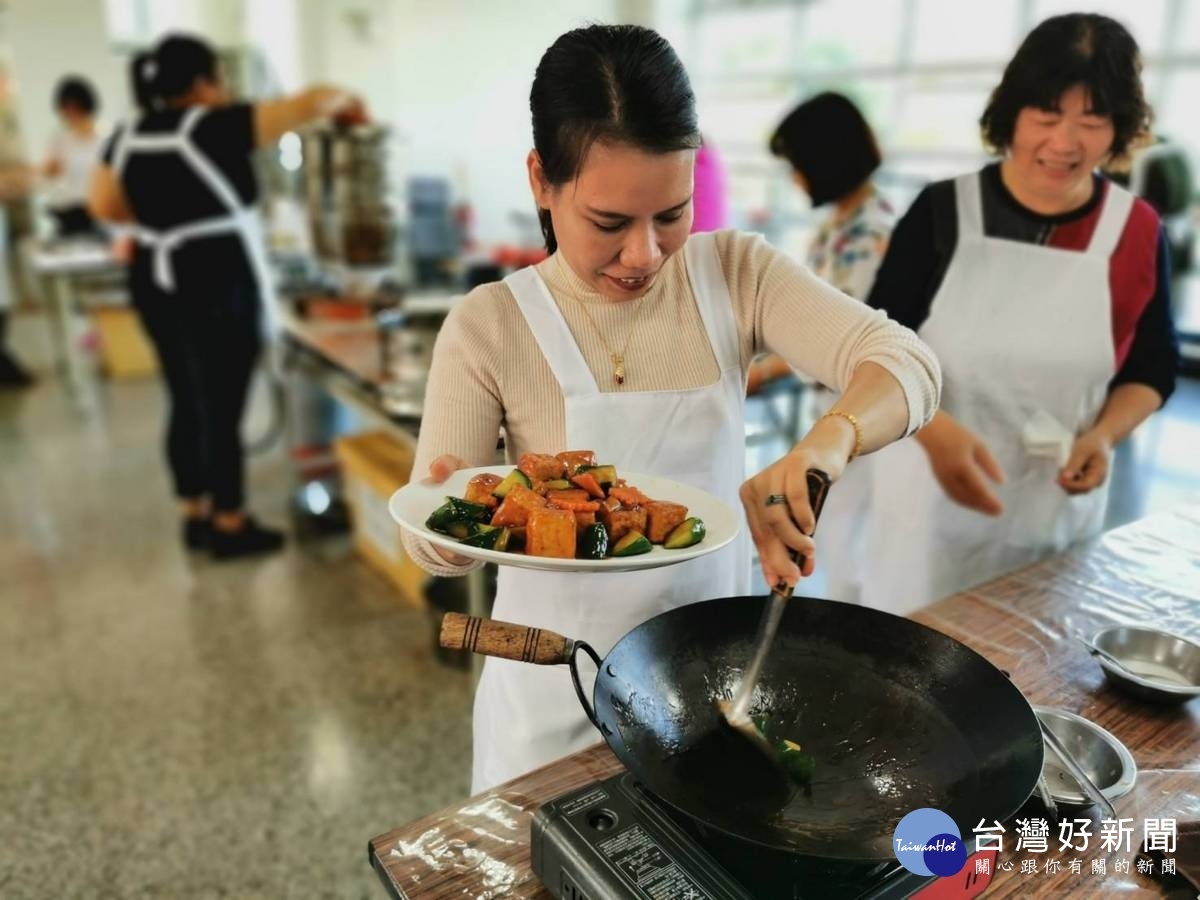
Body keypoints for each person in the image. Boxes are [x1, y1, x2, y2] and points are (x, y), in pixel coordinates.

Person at [401, 24, 941, 793]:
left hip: (707, 700)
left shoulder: (736, 274)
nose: (646, 256)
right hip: (554, 706)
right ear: (541, 183)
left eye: (672, 214)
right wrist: (445, 523)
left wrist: (826, 443)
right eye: (610, 224)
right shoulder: (488, 325)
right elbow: (431, 541)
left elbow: (909, 364)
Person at [863, 13, 1178, 615]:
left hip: (1051, 516)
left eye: (1092, 121)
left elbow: (1152, 366)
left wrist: (1105, 436)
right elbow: (872, 348)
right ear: (1011, 114)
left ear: (1121, 129)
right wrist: (934, 431)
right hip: (927, 519)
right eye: (1047, 115)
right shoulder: (942, 213)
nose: (1065, 143)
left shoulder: (1137, 232)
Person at [88, 33, 366, 558]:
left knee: (185, 394)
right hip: (214, 276)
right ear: (202, 83)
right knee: (222, 402)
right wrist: (348, 102)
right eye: (220, 76)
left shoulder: (126, 135)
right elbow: (313, 100)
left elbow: (103, 205)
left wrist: (158, 221)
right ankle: (230, 522)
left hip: (154, 274)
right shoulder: (219, 125)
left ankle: (194, 511)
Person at [747, 92, 896, 604]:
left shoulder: (869, 235)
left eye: (797, 166)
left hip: (856, 426)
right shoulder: (840, 224)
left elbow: (840, 342)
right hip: (831, 420)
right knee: (834, 548)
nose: (795, 179)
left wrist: (761, 372)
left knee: (849, 557)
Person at [41, 76, 103, 237]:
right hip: (65, 213)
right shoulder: (59, 138)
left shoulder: (104, 138)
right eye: (65, 108)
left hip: (97, 213)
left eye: (74, 107)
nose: (70, 113)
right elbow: (49, 172)